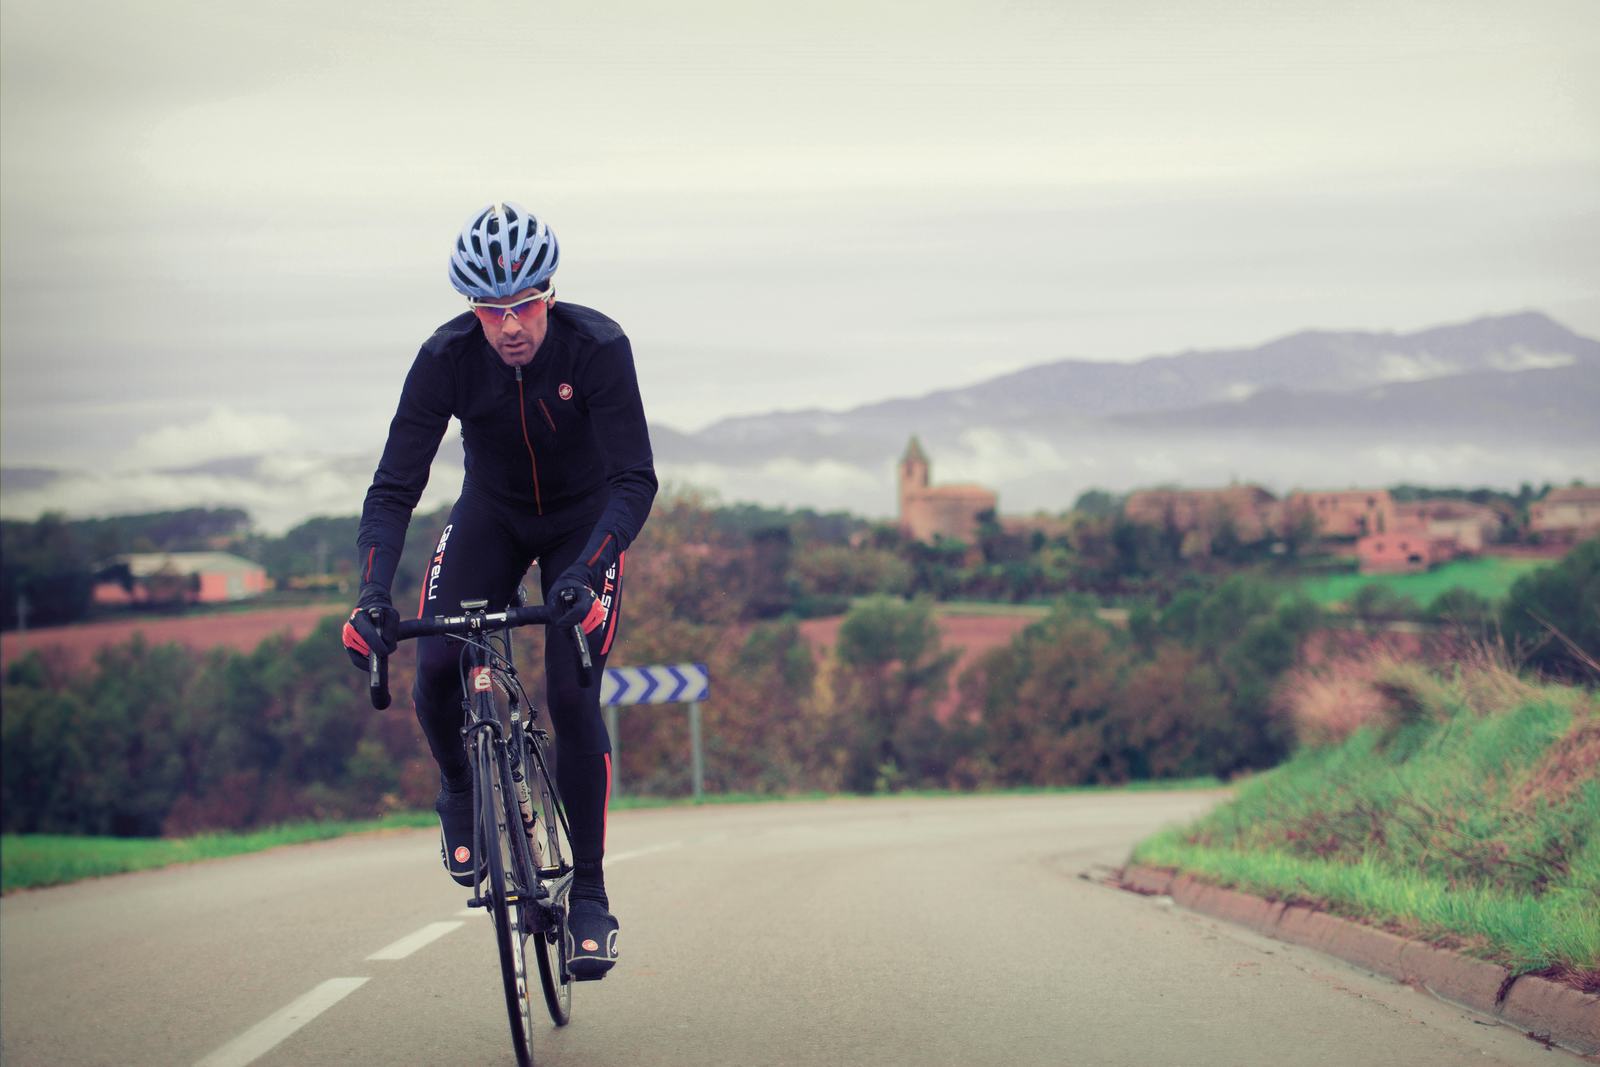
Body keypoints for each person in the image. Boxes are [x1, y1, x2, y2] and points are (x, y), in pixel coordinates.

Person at [341, 201, 656, 980]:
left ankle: (589, 895)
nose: (509, 324)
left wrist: (588, 567)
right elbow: (393, 488)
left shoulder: (598, 347)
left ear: (549, 293)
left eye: (522, 304)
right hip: (494, 514)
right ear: (470, 307)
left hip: (584, 526)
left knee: (572, 694)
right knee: (439, 669)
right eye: (490, 307)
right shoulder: (447, 358)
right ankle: (458, 788)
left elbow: (634, 478)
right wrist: (372, 594)